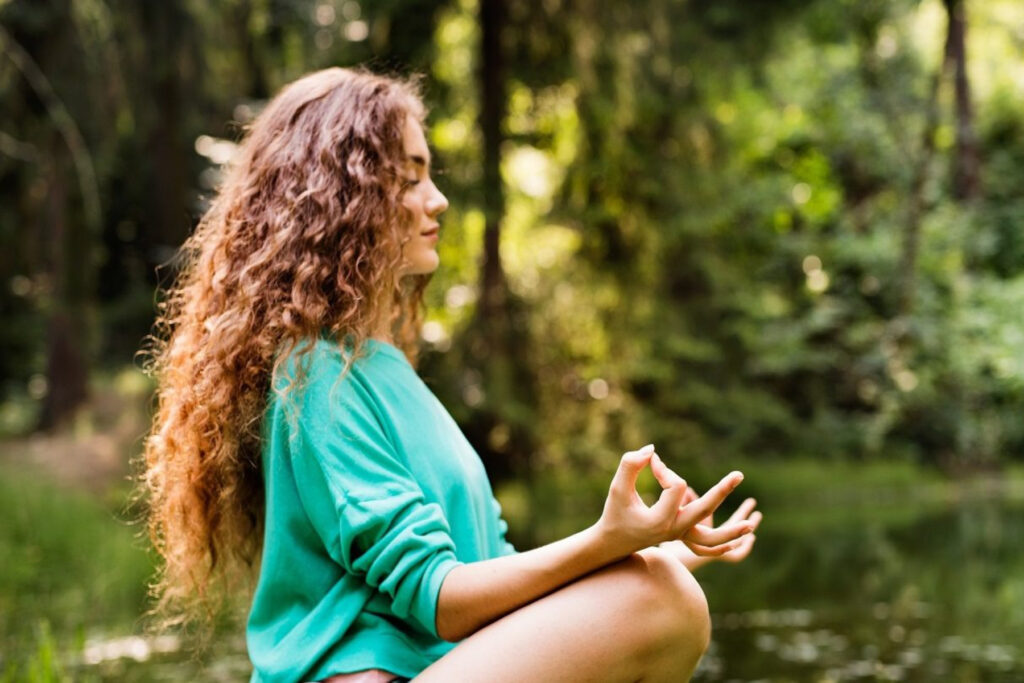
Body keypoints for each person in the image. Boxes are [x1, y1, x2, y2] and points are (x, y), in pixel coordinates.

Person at [141, 67, 762, 683]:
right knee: (662, 600)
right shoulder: (316, 373)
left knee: (659, 587)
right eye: (409, 178)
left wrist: (653, 546)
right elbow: (440, 599)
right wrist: (609, 545)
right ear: (340, 197)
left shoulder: (384, 371)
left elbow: (499, 581)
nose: (436, 198)